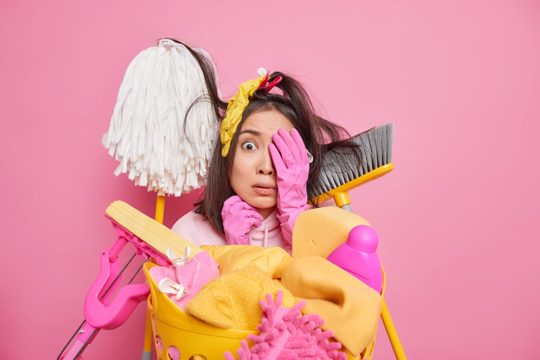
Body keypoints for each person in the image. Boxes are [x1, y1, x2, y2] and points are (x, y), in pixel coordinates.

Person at [172, 42, 359, 251]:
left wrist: (297, 221)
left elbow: (344, 282)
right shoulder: (188, 234)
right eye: (249, 146)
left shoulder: (328, 230)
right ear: (226, 154)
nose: (266, 167)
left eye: (282, 149)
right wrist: (234, 254)